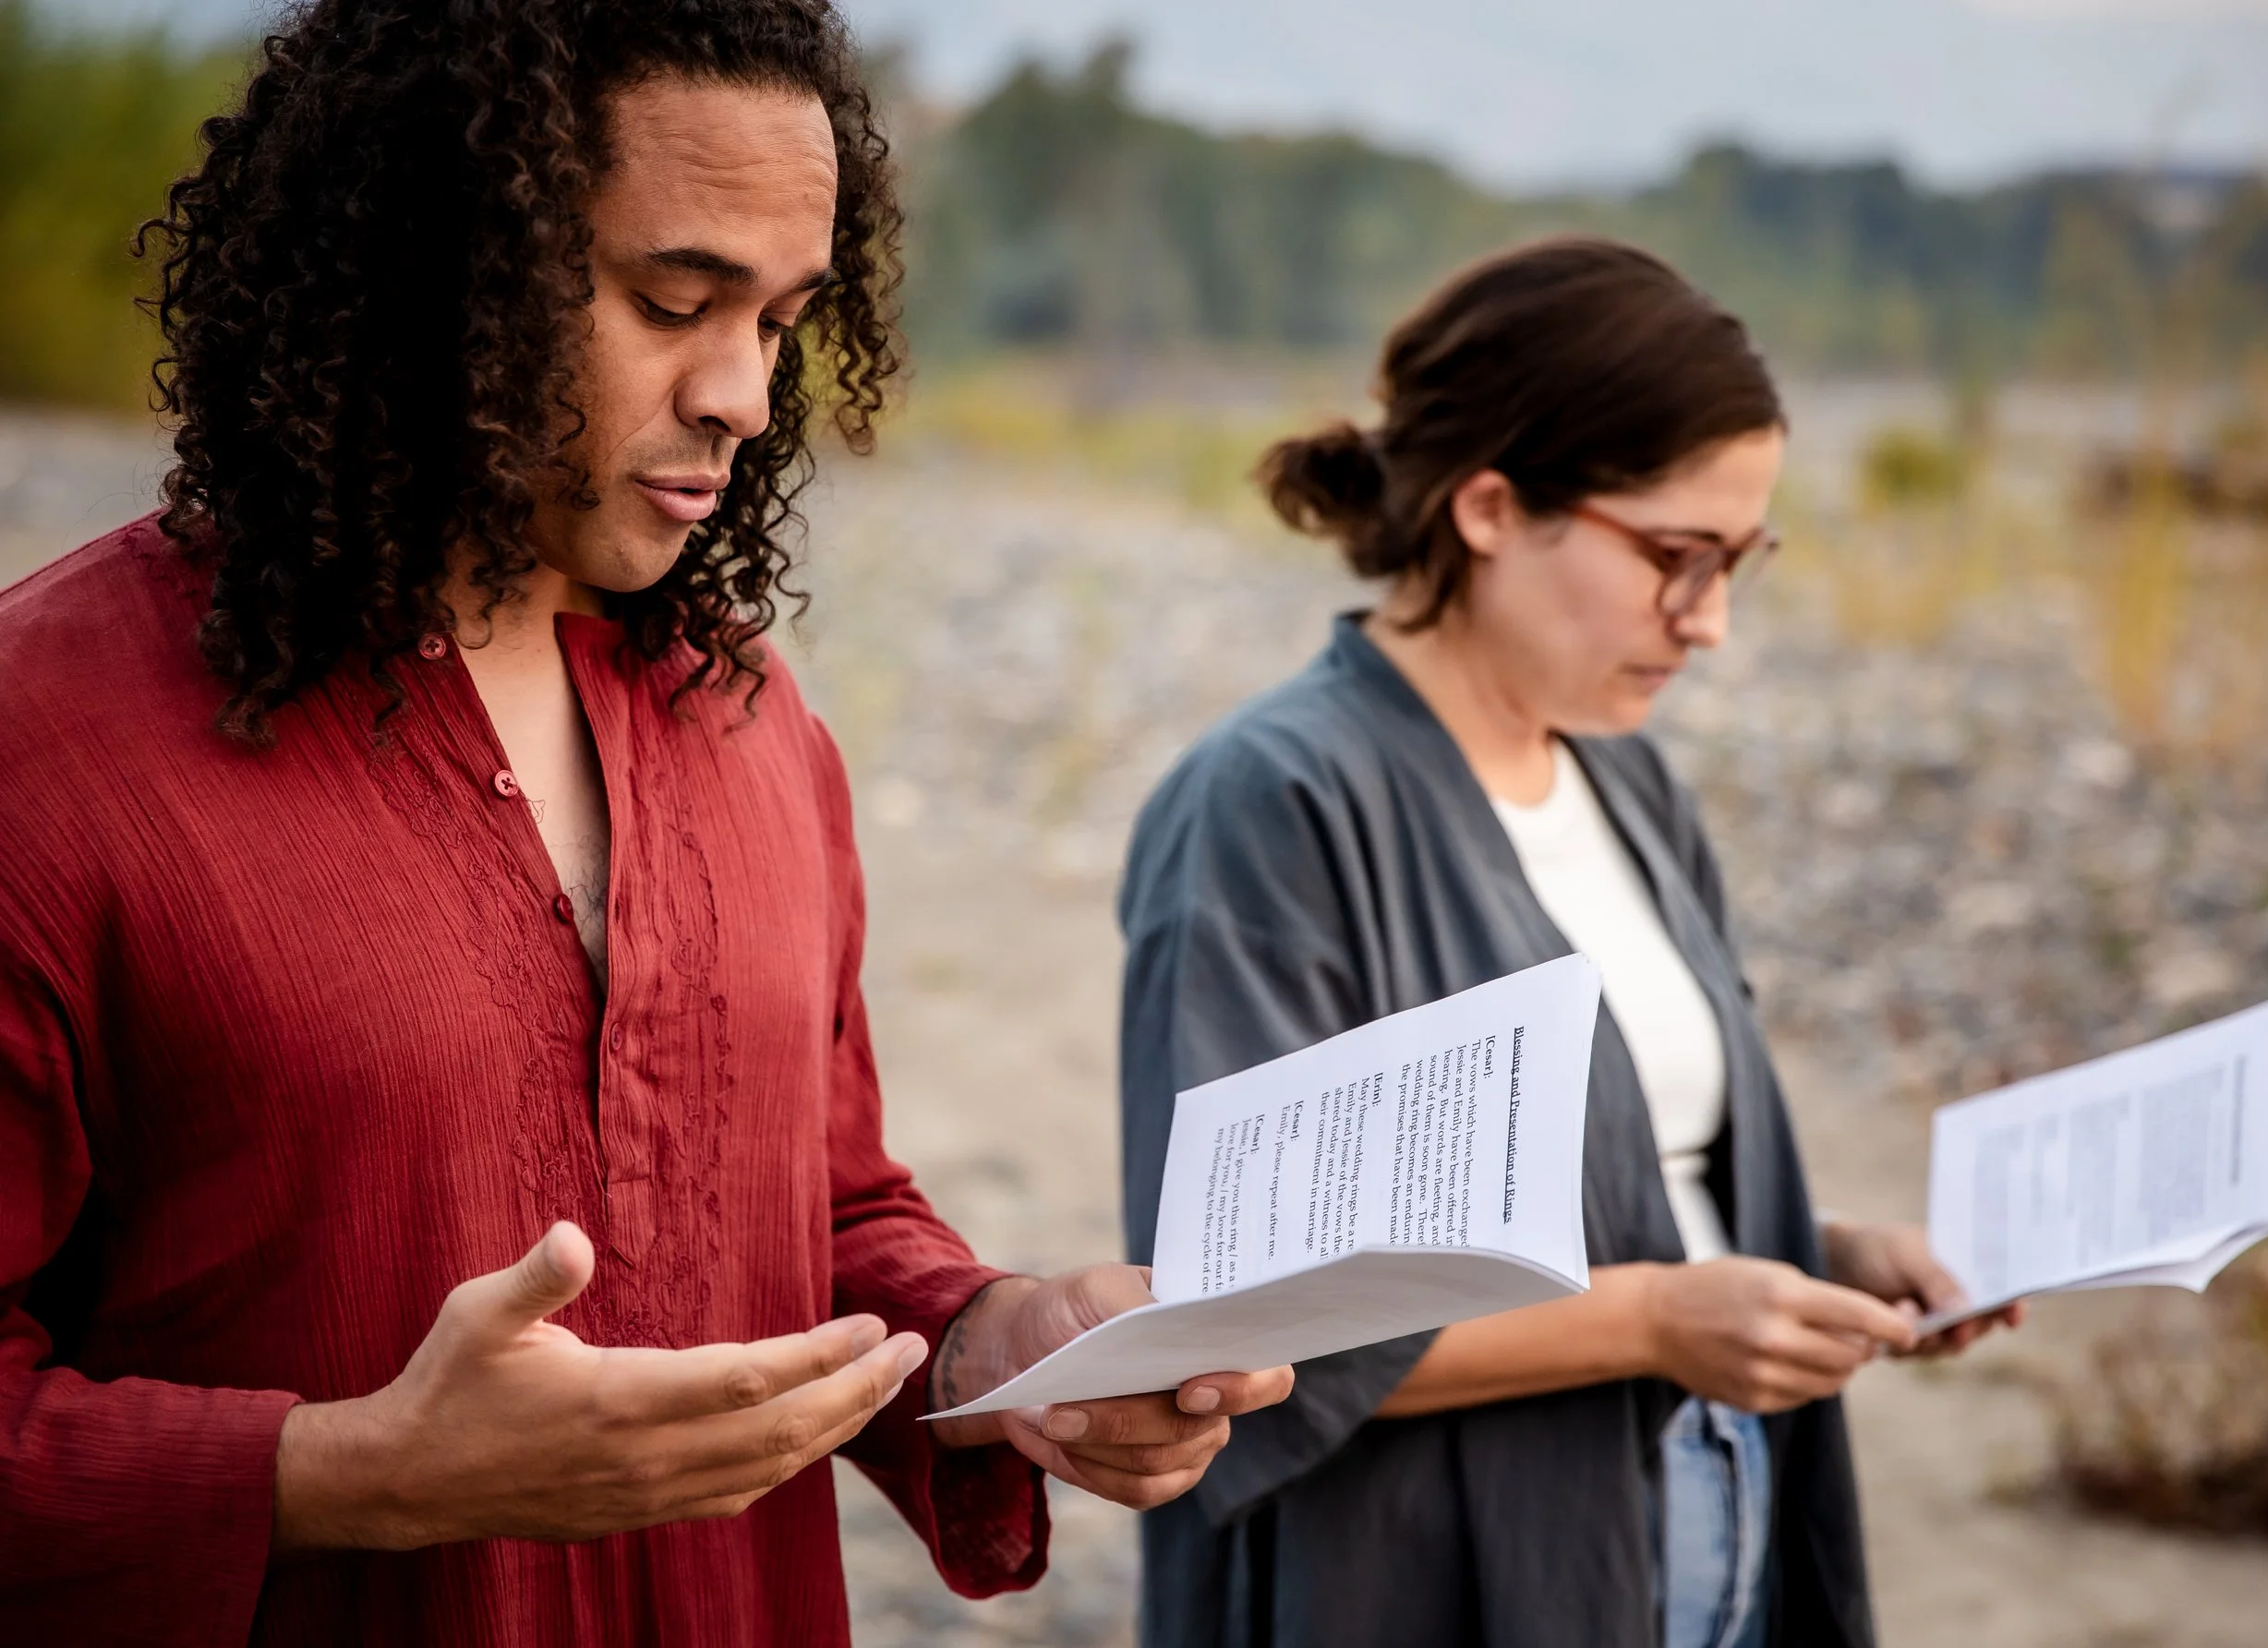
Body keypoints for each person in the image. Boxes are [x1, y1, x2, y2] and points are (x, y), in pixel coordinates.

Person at [0, 4, 1291, 1643]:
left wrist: (992, 1345)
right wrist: (347, 1473)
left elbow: (815, 1209)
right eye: (672, 303)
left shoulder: (749, 721)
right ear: (431, 263)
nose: (744, 393)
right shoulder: (46, 748)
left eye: (783, 318)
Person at [1118, 238, 2019, 1648]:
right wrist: (1661, 1319)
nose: (1709, 622)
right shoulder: (1272, 801)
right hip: (1424, 1571)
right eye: (1675, 557)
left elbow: (1629, 1170)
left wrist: (1816, 1254)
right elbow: (1237, 1319)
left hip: (1715, 1508)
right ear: (1489, 507)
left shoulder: (1626, 778)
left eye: (1740, 564)